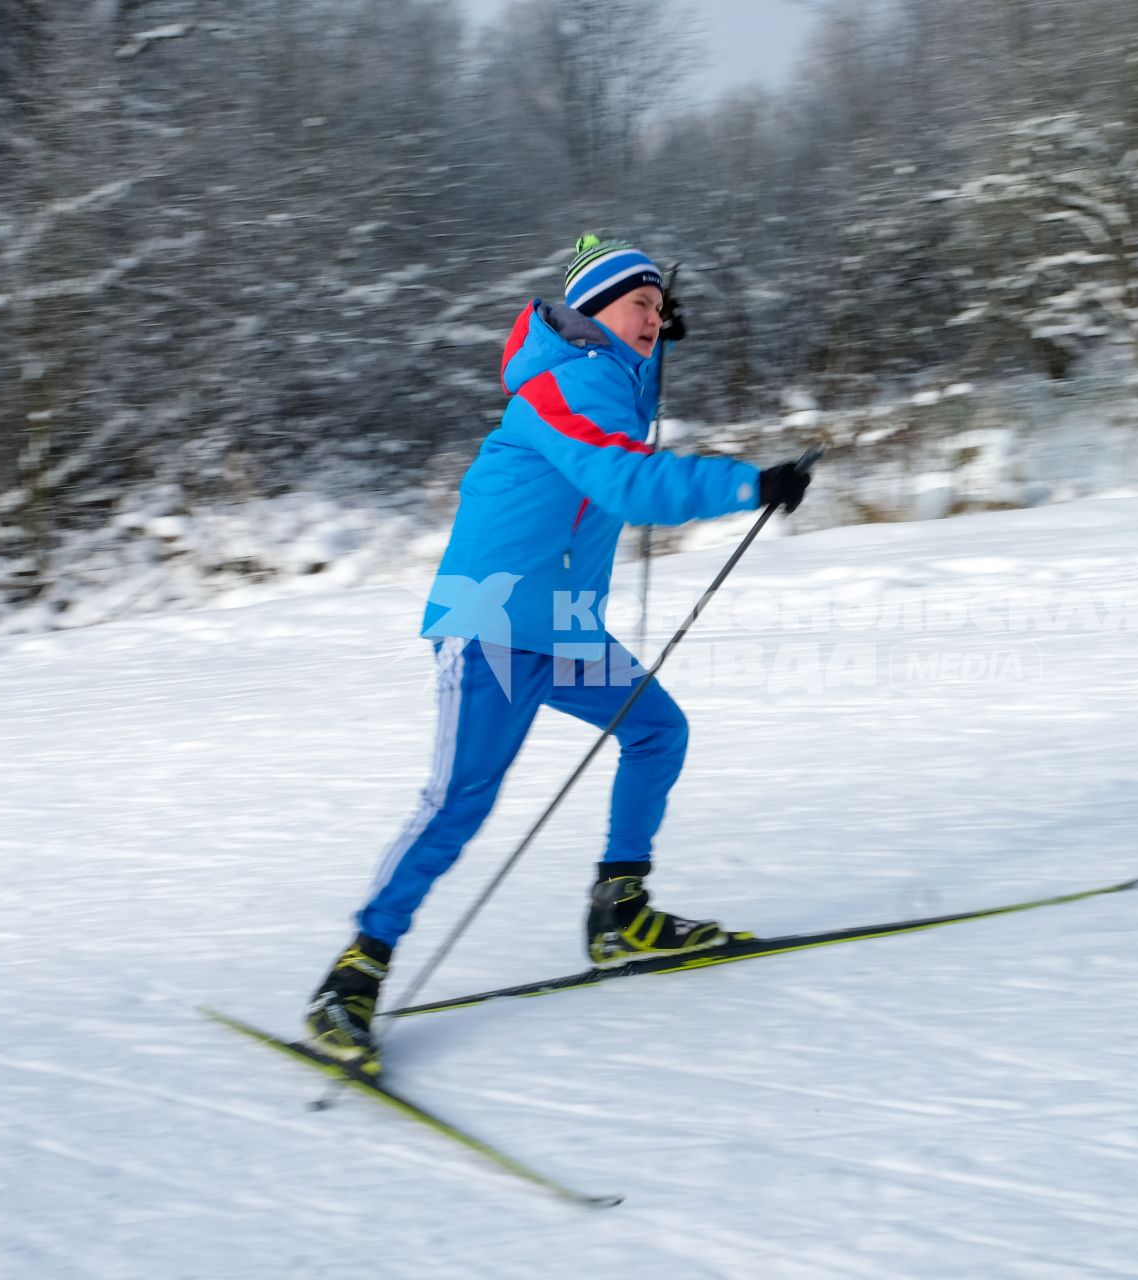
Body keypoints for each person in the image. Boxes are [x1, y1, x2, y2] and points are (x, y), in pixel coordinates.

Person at [304, 235, 814, 1067]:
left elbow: (624, 456)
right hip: (495, 619)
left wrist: (649, 365)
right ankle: (353, 974)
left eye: (659, 304)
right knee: (459, 801)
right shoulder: (559, 387)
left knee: (656, 731)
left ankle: (620, 911)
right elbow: (626, 483)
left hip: (565, 624)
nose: (654, 316)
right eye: (637, 303)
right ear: (592, 311)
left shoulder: (612, 382)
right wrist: (748, 483)